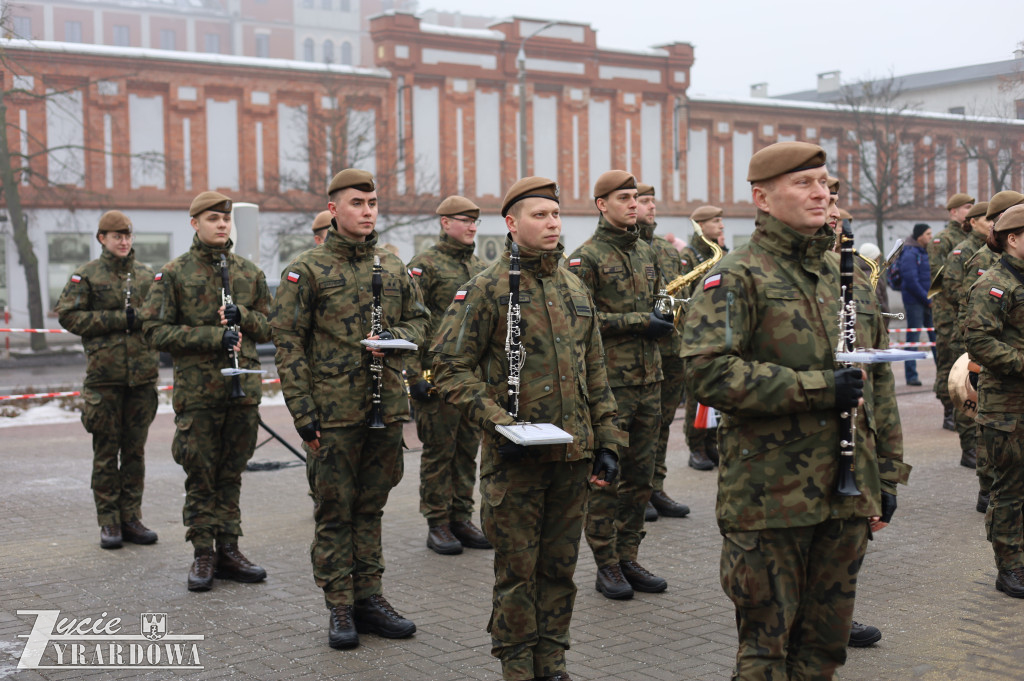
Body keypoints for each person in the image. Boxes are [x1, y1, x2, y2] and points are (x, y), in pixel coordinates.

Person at [682, 141, 908, 678]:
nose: (821, 193)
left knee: (825, 652)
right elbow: (709, 373)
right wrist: (817, 389)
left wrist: (887, 473)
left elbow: (872, 381)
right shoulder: (737, 275)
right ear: (762, 197)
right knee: (766, 654)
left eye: (825, 183)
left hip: (845, 492)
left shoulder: (841, 273)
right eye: (804, 183)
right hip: (770, 497)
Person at [431, 176, 625, 681]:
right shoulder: (485, 287)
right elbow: (449, 368)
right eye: (539, 215)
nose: (552, 224)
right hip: (515, 463)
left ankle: (552, 663)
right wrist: (500, 424)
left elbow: (595, 371)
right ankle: (518, 667)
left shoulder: (574, 286)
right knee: (517, 576)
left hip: (571, 458)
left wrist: (607, 440)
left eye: (556, 215)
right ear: (512, 224)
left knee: (559, 572)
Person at [269, 169, 429, 650]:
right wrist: (303, 413)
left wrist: (398, 341)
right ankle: (340, 603)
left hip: (384, 408)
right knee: (335, 510)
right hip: (333, 413)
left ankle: (370, 598)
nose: (367, 211)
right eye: (357, 203)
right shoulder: (308, 270)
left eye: (373, 203)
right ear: (334, 209)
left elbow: (422, 322)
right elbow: (288, 343)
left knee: (371, 507)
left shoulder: (392, 266)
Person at [141, 191, 272, 591]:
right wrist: (213, 335)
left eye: (226, 219)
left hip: (242, 388)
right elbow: (153, 330)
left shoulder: (248, 272)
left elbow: (271, 327)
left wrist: (244, 317)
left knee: (231, 472)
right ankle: (203, 552)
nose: (221, 225)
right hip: (199, 392)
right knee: (201, 474)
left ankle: (229, 548)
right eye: (213, 218)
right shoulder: (175, 274)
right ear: (194, 222)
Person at [568, 170, 672, 600]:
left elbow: (659, 303)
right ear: (601, 204)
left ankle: (628, 554)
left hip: (650, 380)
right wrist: (638, 322)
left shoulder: (646, 253)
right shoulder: (584, 258)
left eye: (635, 197)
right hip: (610, 387)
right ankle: (605, 562)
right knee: (606, 478)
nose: (633, 204)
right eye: (623, 198)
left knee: (641, 478)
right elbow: (580, 321)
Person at [56, 210, 160, 550]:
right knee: (105, 453)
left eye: (127, 236)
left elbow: (160, 316)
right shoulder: (86, 275)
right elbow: (69, 315)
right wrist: (119, 319)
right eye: (117, 236)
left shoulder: (146, 276)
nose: (123, 242)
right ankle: (109, 522)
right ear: (102, 238)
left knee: (135, 453)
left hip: (141, 378)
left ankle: (131, 518)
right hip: (105, 379)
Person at [406, 195, 490, 555]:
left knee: (467, 449)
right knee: (440, 452)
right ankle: (437, 522)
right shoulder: (424, 265)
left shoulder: (479, 265)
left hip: (470, 377)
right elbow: (409, 321)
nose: (472, 227)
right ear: (444, 223)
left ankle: (461, 516)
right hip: (436, 374)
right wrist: (413, 377)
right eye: (464, 220)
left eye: (475, 222)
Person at [963, 204, 1024, 599]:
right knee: (1010, 487)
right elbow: (979, 342)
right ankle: (1010, 567)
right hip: (1007, 407)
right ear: (1013, 239)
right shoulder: (994, 284)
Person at [635, 182, 691, 520]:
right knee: (638, 427)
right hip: (640, 350)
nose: (651, 206)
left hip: (671, 348)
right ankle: (634, 491)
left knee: (662, 423)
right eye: (644, 201)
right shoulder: (632, 249)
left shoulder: (667, 250)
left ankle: (655, 486)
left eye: (653, 201)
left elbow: (675, 294)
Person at [943, 201, 992, 473]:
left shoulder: (993, 249)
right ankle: (969, 448)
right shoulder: (965, 251)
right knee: (966, 390)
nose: (993, 224)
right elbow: (951, 289)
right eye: (988, 219)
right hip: (965, 330)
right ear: (973, 222)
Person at [678, 204, 726, 471]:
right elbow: (684, 295)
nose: (721, 226)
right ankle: (695, 447)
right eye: (716, 221)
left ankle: (711, 443)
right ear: (701, 225)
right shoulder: (688, 255)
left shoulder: (723, 253)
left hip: (720, 330)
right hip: (697, 332)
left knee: (716, 392)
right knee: (697, 395)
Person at [931, 193, 975, 429]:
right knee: (949, 361)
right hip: (947, 310)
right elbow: (940, 280)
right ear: (953, 212)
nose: (970, 211)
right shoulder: (942, 240)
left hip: (965, 310)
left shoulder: (971, 237)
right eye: (967, 207)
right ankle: (949, 409)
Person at [898, 223, 935, 387]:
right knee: (913, 339)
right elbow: (911, 280)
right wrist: (927, 299)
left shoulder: (925, 251)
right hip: (915, 302)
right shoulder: (910, 253)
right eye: (928, 234)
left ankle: (944, 373)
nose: (930, 237)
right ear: (919, 236)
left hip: (928, 301)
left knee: (936, 338)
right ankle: (911, 375)